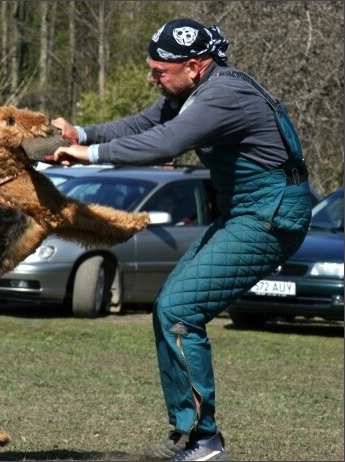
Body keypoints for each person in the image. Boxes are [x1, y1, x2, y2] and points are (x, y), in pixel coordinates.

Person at [51, 18, 311, 462]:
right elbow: (145, 123)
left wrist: (89, 156)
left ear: (193, 65)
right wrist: (84, 134)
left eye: (159, 71)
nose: (152, 78)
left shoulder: (223, 96)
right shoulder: (192, 91)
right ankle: (191, 434)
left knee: (180, 310)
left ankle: (203, 442)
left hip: (271, 214)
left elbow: (162, 143)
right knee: (170, 306)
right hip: (245, 211)